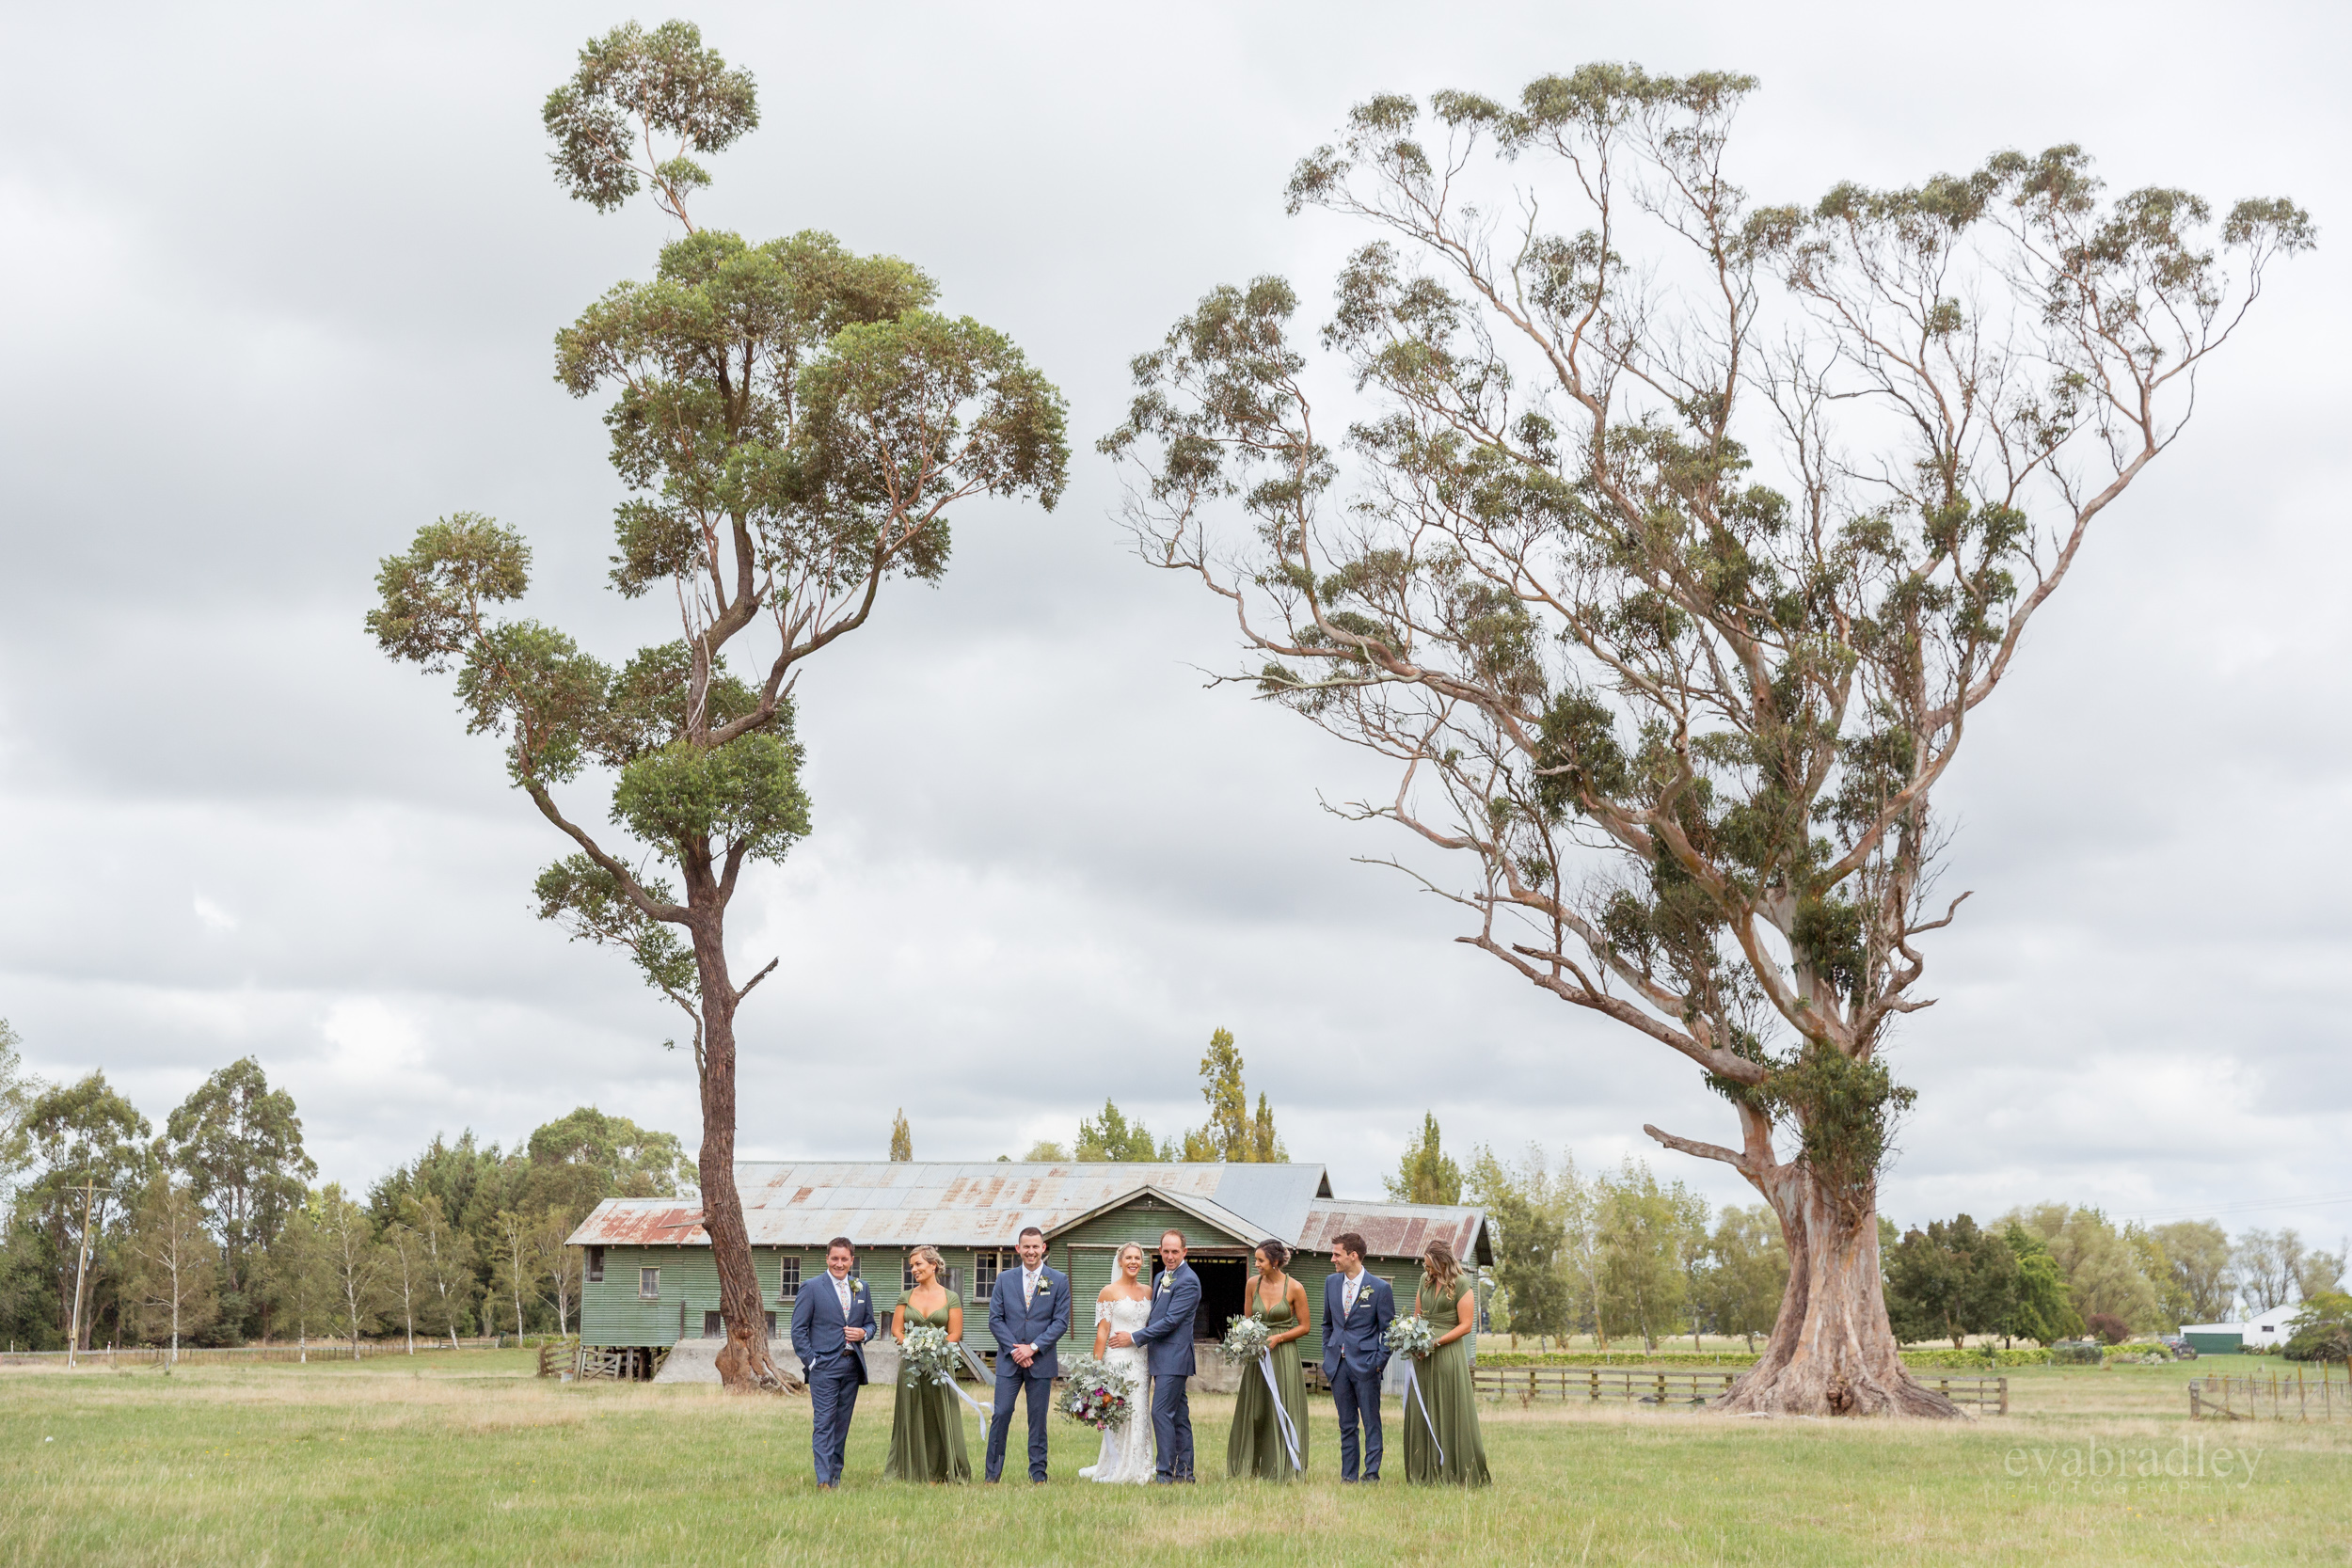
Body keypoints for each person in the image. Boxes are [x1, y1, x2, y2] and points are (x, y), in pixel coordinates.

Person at [1401, 1237, 1490, 1487]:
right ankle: (1424, 1471)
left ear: (1443, 1262)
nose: (1427, 1271)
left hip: (1447, 1355)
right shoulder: (1424, 1281)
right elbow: (1418, 1317)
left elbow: (1465, 1326)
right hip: (1422, 1357)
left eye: (1431, 1266)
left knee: (1449, 1410)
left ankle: (1454, 1470)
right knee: (1422, 1410)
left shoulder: (1462, 1284)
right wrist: (1414, 1341)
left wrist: (1435, 1343)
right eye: (1426, 1266)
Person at [789, 1236, 877, 1490]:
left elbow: (871, 1323)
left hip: (852, 1366)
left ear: (852, 1260)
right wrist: (813, 1362)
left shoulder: (861, 1287)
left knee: (842, 1424)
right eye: (834, 1258)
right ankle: (823, 1480)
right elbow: (798, 1330)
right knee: (824, 1422)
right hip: (824, 1367)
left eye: (844, 1259)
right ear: (827, 1258)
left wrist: (864, 1334)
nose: (839, 1264)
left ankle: (836, 1477)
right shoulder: (812, 1287)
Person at [984, 1225, 1070, 1483]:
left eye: (1036, 1246)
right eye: (1026, 1246)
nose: (1031, 1251)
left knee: (1038, 1420)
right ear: (1018, 1249)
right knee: (1001, 1414)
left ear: (1043, 1248)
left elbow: (1060, 1322)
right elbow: (995, 1320)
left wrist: (1032, 1347)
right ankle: (992, 1475)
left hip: (1040, 1361)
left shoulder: (1058, 1280)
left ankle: (1038, 1475)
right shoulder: (1004, 1279)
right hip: (1010, 1361)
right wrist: (1015, 1349)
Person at [1114, 1227, 1199, 1483]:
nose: (1170, 1256)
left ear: (1184, 1251)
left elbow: (1171, 1321)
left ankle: (1164, 1473)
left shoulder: (1189, 1281)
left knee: (1160, 1413)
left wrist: (1135, 1337)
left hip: (1175, 1358)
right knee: (1179, 1418)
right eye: (1166, 1251)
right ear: (1159, 1251)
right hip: (1160, 1358)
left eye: (1175, 1251)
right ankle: (1185, 1474)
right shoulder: (1162, 1275)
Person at [883, 1244, 971, 1484]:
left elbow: (955, 1333)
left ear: (933, 1265)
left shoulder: (950, 1298)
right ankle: (912, 1470)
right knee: (911, 1413)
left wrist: (933, 1348)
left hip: (939, 1365)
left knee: (939, 1415)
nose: (913, 1269)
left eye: (918, 1264)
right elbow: (896, 1329)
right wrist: (913, 1347)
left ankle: (941, 1471)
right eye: (911, 1265)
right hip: (911, 1365)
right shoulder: (906, 1297)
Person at [1227, 1237, 1311, 1481]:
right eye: (1256, 1260)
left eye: (1260, 1260)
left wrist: (1278, 1338)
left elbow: (1305, 1326)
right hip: (1258, 1356)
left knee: (1281, 1407)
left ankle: (1282, 1467)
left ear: (1275, 1261)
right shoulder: (1252, 1284)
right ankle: (1249, 1466)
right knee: (1256, 1409)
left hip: (1283, 1355)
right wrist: (1243, 1340)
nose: (1256, 1264)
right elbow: (1247, 1320)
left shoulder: (1295, 1288)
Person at [1078, 1242, 1157, 1483]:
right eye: (1129, 1258)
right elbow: (1102, 1333)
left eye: (1138, 1258)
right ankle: (1118, 1464)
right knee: (1121, 1413)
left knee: (1140, 1411)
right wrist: (1096, 1371)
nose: (1133, 1262)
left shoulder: (1148, 1292)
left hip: (1141, 1359)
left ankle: (1140, 1464)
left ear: (1142, 1262)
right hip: (1117, 1360)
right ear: (1120, 1261)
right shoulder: (1108, 1292)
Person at [1321, 1229, 1394, 1482]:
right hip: (1337, 1366)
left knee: (1372, 1422)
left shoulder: (1380, 1288)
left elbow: (1389, 1332)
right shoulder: (1331, 1283)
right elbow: (1327, 1325)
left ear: (1353, 1256)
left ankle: (1371, 1473)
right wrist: (1328, 1354)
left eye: (1336, 1254)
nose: (1333, 1259)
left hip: (1366, 1366)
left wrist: (1377, 1363)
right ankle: (1348, 1476)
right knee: (1346, 1424)